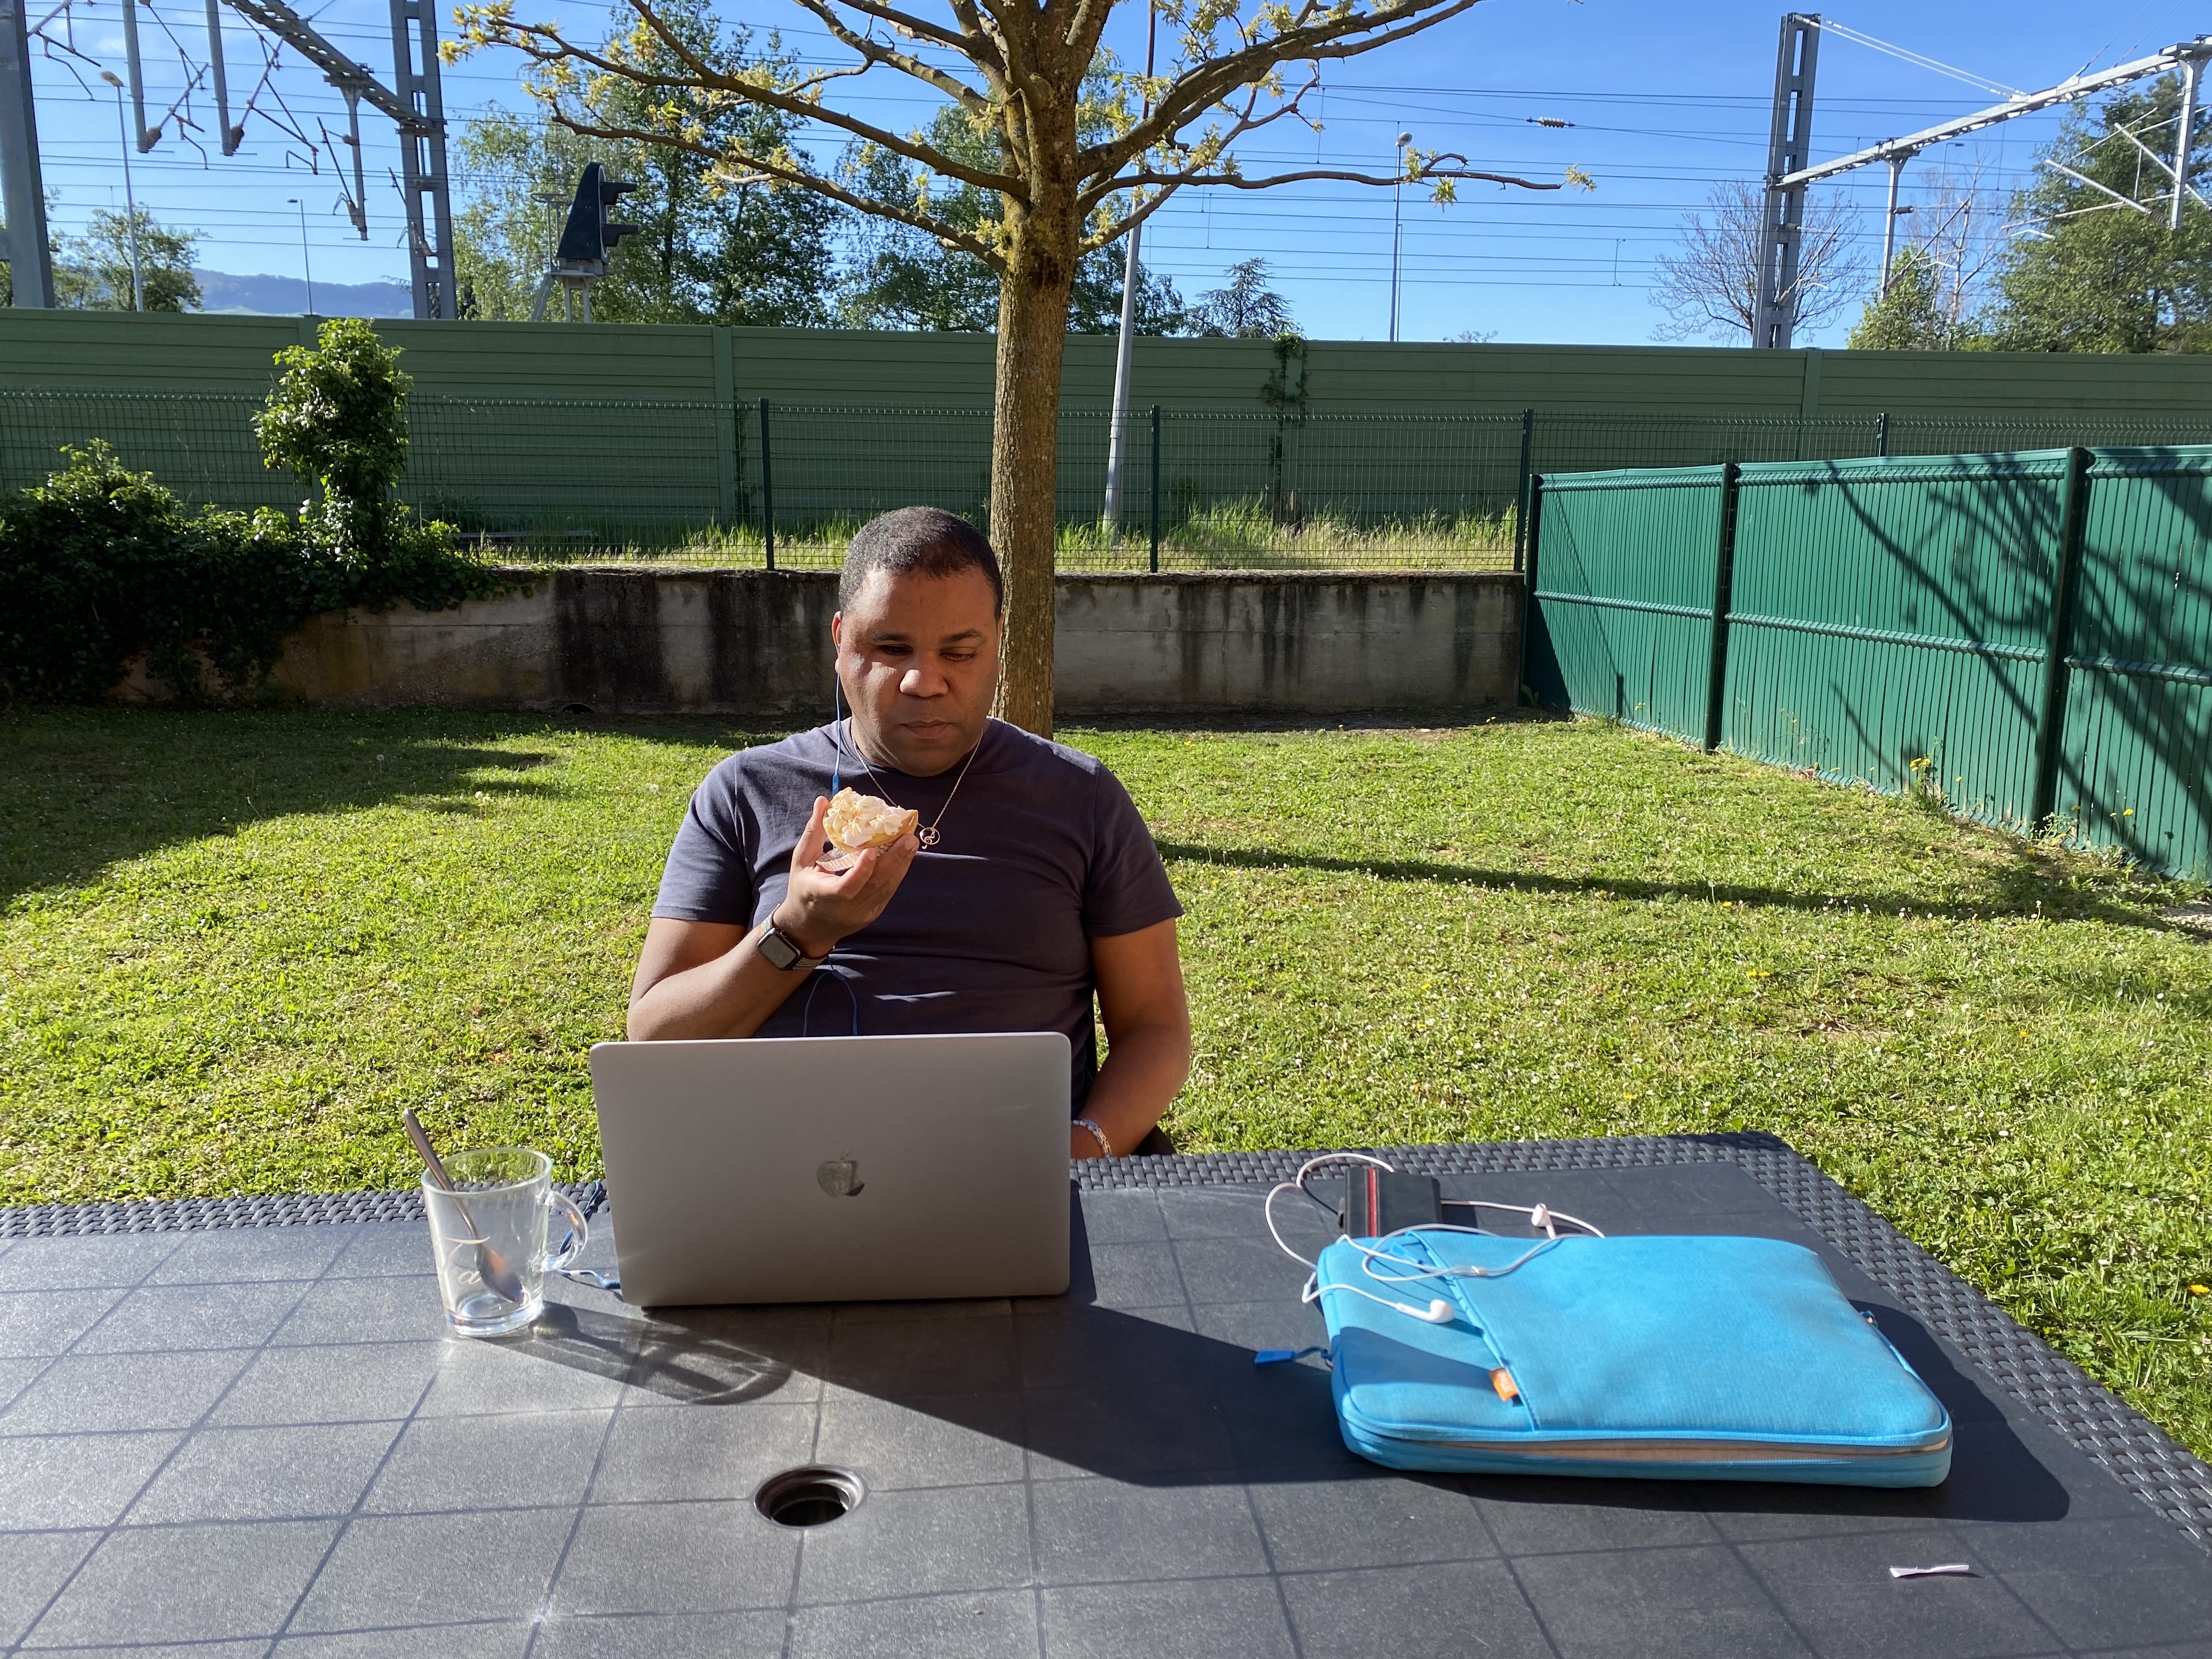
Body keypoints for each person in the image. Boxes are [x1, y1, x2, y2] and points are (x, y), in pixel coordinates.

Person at [628, 506, 1192, 1160]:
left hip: (1017, 1163)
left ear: (999, 645)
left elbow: (1155, 1027)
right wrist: (798, 934)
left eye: (961, 651)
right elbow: (656, 1039)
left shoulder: (1080, 797)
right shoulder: (747, 792)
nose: (925, 682)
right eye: (890, 649)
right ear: (839, 640)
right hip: (799, 1171)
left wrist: (1084, 1148)